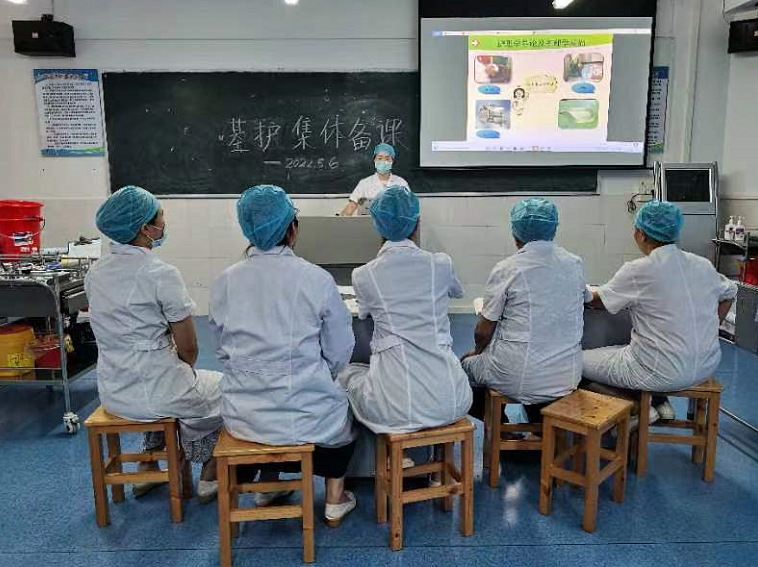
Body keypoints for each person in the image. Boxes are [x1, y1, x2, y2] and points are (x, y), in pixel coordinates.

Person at [209, 185, 357, 526]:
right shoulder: (316, 279)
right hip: (308, 415)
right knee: (343, 414)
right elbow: (339, 350)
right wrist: (322, 374)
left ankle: (269, 484)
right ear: (293, 229)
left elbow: (221, 350)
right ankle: (334, 499)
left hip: (244, 416)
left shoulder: (226, 281)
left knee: (269, 413)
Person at [85, 185, 222, 503]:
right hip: (159, 390)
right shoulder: (161, 274)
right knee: (229, 390)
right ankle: (210, 473)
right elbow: (188, 347)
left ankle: (150, 462)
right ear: (146, 229)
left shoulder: (95, 273)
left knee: (166, 390)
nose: (164, 222)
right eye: (160, 216)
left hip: (114, 392)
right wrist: (181, 370)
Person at [338, 186, 473, 444]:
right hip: (451, 399)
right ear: (416, 222)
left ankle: (381, 458)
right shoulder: (441, 263)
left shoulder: (364, 275)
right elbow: (457, 291)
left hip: (392, 406)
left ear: (377, 225)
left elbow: (363, 313)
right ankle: (426, 464)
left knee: (349, 373)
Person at [583, 201, 737, 421]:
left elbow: (599, 301)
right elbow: (730, 293)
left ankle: (640, 409)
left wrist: (583, 289)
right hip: (706, 365)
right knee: (623, 349)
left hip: (659, 372)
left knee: (575, 362)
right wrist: (711, 327)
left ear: (640, 234)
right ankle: (658, 401)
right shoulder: (702, 264)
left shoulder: (639, 270)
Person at [461, 198, 587, 424]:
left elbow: (483, 331)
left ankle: (500, 425)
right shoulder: (574, 263)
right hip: (566, 377)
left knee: (462, 368)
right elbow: (587, 298)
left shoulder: (508, 269)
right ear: (554, 229)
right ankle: (538, 423)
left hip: (517, 375)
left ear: (515, 233)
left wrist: (477, 351)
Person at [340, 143, 409, 216]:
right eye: (380, 158)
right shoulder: (364, 183)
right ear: (375, 160)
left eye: (387, 159)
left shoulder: (401, 183)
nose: (383, 162)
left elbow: (409, 209)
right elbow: (350, 207)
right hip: (368, 223)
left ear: (392, 161)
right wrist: (339, 219)